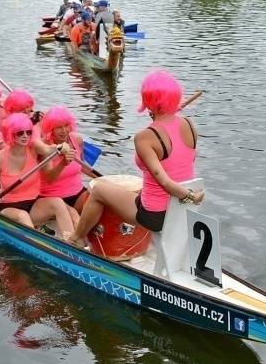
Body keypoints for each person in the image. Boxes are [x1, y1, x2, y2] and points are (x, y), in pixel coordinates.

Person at [70, 70, 202, 250]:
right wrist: (189, 197)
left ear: (148, 100)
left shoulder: (144, 137)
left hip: (156, 214)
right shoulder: (188, 124)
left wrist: (190, 197)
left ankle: (76, 238)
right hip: (183, 211)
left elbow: (163, 180)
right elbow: (181, 163)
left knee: (98, 191)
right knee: (137, 190)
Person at [0, 113, 75, 239]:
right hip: (8, 207)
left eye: (29, 132)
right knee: (22, 216)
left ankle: (71, 242)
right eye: (20, 133)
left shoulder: (33, 148)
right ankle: (39, 244)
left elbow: (49, 150)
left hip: (32, 204)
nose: (25, 136)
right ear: (10, 133)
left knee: (58, 202)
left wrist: (61, 147)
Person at [38, 107, 91, 232]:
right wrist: (63, 163)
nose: (63, 131)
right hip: (52, 196)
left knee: (98, 198)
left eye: (66, 126)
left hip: (77, 192)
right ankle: (79, 246)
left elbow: (82, 166)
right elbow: (50, 178)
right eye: (58, 127)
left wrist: (103, 180)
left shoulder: (77, 140)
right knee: (74, 216)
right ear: (51, 129)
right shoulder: (45, 147)